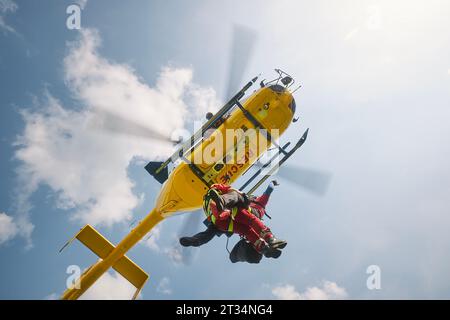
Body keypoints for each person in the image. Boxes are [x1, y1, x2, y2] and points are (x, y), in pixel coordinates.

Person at [179, 181, 286, 262]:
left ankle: (197, 239)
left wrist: (272, 184)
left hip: (238, 214)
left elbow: (267, 193)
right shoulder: (258, 205)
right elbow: (267, 193)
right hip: (232, 218)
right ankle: (266, 246)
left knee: (214, 228)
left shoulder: (258, 203)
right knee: (247, 230)